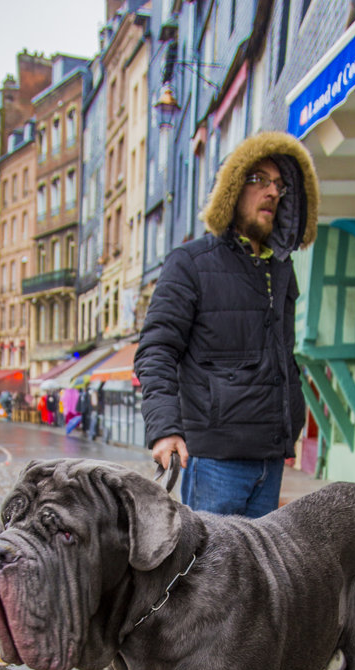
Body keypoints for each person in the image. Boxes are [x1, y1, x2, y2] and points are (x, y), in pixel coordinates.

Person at [134, 131, 319, 516]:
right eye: (259, 180)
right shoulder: (191, 263)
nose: (271, 192)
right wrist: (165, 428)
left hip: (270, 457)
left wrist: (292, 421)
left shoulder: (281, 270)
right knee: (211, 573)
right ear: (232, 190)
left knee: (258, 575)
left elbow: (285, 356)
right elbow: (157, 349)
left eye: (279, 185)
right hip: (216, 459)